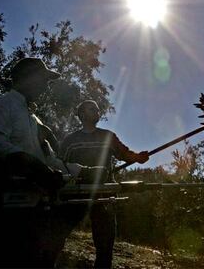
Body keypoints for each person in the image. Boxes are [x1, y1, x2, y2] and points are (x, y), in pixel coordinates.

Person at [0, 57, 86, 267]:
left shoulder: (34, 120)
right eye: (44, 80)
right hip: (8, 210)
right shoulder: (0, 105)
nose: (46, 86)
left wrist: (82, 171)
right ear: (27, 78)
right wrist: (38, 169)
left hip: (38, 208)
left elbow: (49, 158)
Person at [60, 99, 149, 269]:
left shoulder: (108, 137)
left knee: (105, 247)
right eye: (91, 108)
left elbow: (125, 154)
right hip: (75, 195)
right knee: (58, 235)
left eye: (97, 109)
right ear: (81, 114)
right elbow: (59, 164)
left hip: (104, 195)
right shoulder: (69, 141)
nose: (97, 111)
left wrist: (138, 157)